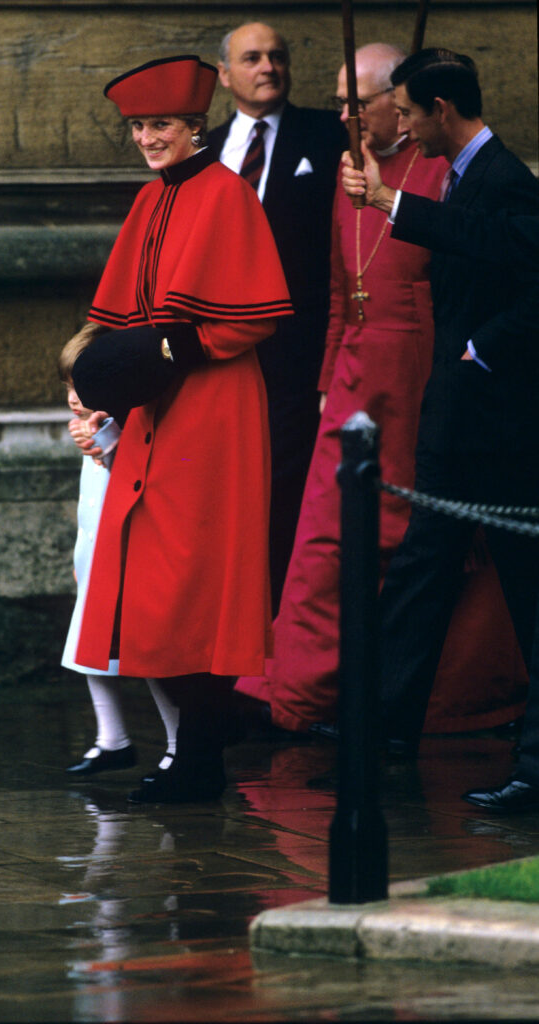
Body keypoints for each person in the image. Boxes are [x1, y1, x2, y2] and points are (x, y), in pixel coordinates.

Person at [236, 43, 527, 737]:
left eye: (363, 103)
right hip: (364, 378)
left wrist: (462, 358)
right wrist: (326, 375)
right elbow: (342, 290)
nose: (344, 114)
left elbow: (484, 263)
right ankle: (341, 701)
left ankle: (412, 716)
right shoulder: (357, 170)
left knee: (432, 545)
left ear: (424, 110)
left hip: (432, 375)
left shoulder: (467, 173)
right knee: (354, 544)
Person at [69, 55, 293, 804]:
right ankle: (196, 742)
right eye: (137, 127)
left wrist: (166, 351)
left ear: (193, 125)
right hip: (153, 409)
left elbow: (253, 315)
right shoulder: (148, 200)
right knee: (144, 578)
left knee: (198, 581)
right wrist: (101, 383)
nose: (147, 138)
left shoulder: (226, 194)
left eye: (159, 124)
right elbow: (119, 316)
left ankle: (196, 753)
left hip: (213, 408)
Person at [341, 47, 539, 807]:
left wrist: (475, 351)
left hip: (506, 428)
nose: (405, 125)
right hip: (459, 422)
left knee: (527, 593)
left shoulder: (506, 179)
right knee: (422, 569)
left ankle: (530, 770)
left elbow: (518, 260)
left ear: (443, 111)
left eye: (411, 112)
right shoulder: (463, 177)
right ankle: (381, 730)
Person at [208, 23, 347, 612]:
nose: (268, 67)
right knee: (226, 496)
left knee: (289, 495)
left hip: (299, 355)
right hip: (220, 358)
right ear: (224, 74)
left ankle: (280, 642)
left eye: (278, 57)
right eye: (253, 57)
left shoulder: (330, 133)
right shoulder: (204, 150)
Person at [57, 324, 139, 778]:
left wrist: (100, 441)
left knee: (146, 657)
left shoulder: (122, 428)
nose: (72, 395)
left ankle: (175, 746)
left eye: (80, 385)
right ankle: (112, 739)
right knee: (89, 654)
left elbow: (121, 467)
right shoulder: (86, 426)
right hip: (93, 559)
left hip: (124, 558)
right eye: (68, 385)